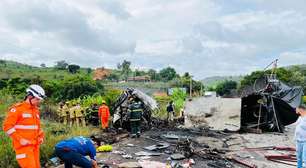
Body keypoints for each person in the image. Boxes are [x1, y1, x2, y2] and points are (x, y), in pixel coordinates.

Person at [3, 84, 46, 168]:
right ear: (30, 96)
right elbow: (7, 126)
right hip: (23, 148)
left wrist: (41, 136)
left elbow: (37, 127)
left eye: (39, 100)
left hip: (35, 147)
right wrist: (20, 139)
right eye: (37, 99)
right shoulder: (17, 109)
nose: (38, 101)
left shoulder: (35, 110)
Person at [295, 102, 306, 168]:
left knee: (304, 158)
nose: (295, 110)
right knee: (299, 157)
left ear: (300, 109)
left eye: (296, 108)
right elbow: (295, 125)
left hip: (305, 141)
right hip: (298, 140)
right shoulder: (299, 118)